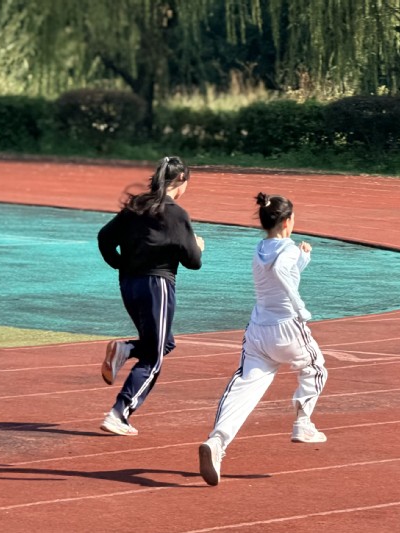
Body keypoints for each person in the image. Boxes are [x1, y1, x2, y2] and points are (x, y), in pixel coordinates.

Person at [198, 192, 328, 487]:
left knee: (245, 387)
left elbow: (280, 273)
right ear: (287, 221)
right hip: (287, 328)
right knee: (315, 369)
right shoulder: (288, 249)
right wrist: (300, 307)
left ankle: (217, 441)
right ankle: (303, 423)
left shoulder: (261, 248)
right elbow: (281, 271)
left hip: (258, 330)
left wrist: (303, 260)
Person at [97, 156, 204, 436]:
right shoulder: (177, 214)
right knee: (154, 359)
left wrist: (120, 264)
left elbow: (104, 238)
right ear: (181, 179)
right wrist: (197, 246)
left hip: (129, 285)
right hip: (157, 285)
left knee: (163, 343)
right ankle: (119, 413)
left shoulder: (136, 206)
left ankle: (126, 350)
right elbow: (193, 262)